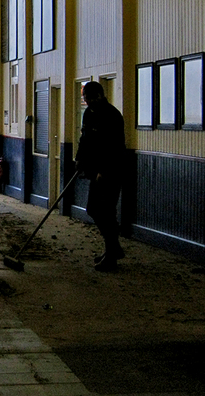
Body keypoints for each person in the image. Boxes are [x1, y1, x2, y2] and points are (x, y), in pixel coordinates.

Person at [75, 81, 126, 272]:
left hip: (111, 172)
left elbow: (114, 147)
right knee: (93, 210)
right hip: (94, 171)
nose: (86, 101)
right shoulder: (88, 114)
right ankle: (113, 247)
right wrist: (79, 159)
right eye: (85, 98)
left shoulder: (112, 116)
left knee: (106, 212)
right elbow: (84, 139)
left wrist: (104, 171)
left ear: (99, 95)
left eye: (89, 97)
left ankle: (111, 257)